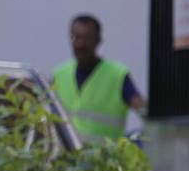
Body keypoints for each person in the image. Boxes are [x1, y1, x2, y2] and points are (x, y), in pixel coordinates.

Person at [51, 14, 147, 144]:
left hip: (104, 162)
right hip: (66, 162)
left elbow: (145, 111)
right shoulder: (59, 75)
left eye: (86, 38)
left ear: (98, 40)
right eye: (75, 38)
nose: (80, 44)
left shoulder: (117, 75)